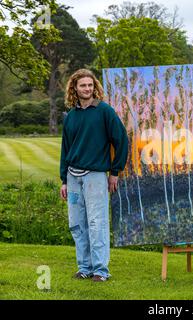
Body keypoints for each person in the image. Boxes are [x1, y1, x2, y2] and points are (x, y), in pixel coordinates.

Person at [60, 69, 128, 282]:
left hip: (95, 176)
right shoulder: (71, 116)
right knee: (77, 223)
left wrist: (115, 172)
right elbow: (65, 149)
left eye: (90, 85)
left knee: (97, 222)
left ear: (94, 87)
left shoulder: (104, 111)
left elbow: (121, 140)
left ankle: (100, 270)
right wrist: (63, 179)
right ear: (75, 88)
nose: (87, 88)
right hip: (73, 178)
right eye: (83, 85)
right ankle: (84, 268)